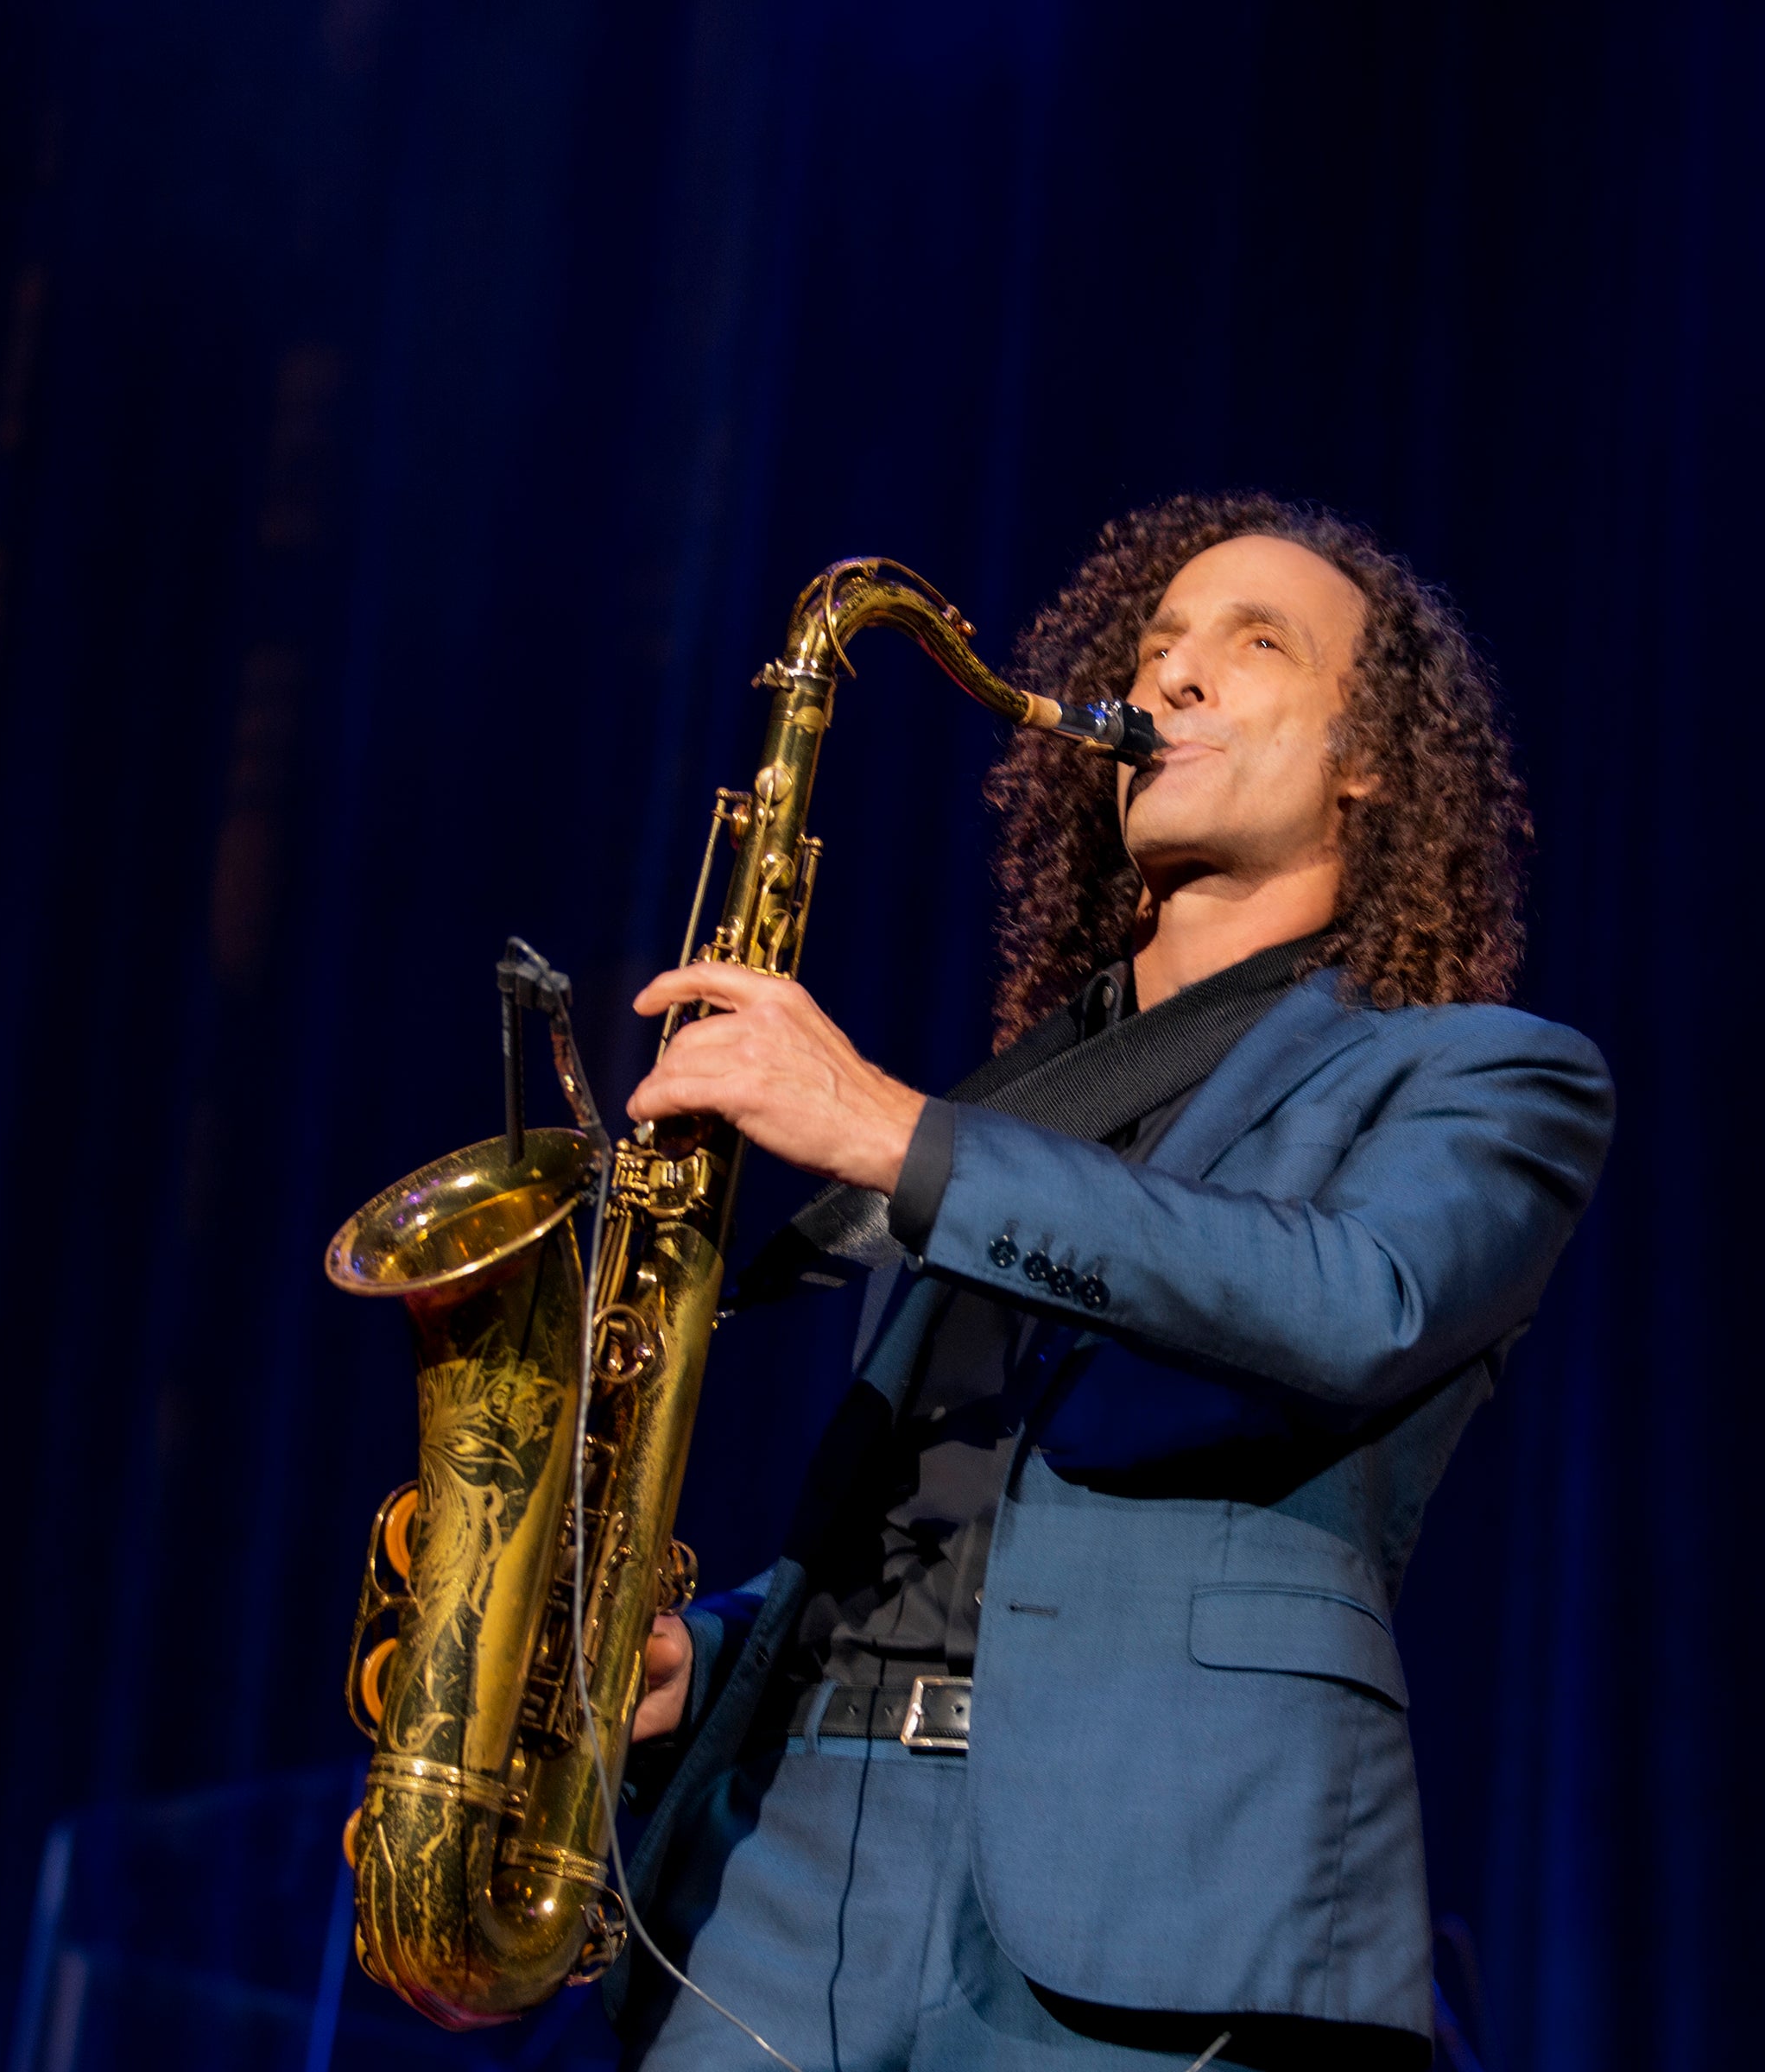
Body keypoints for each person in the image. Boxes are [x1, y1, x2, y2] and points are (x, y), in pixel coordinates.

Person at [604, 494, 1614, 2071]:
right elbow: (934, 1510)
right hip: (794, 1862)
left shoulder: (1490, 1079)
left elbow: (1356, 1303)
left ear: (1371, 761)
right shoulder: (1014, 1103)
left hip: (1160, 1887)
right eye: (1156, 648)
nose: (1174, 680)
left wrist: (891, 1130)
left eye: (1251, 643)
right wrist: (715, 1652)